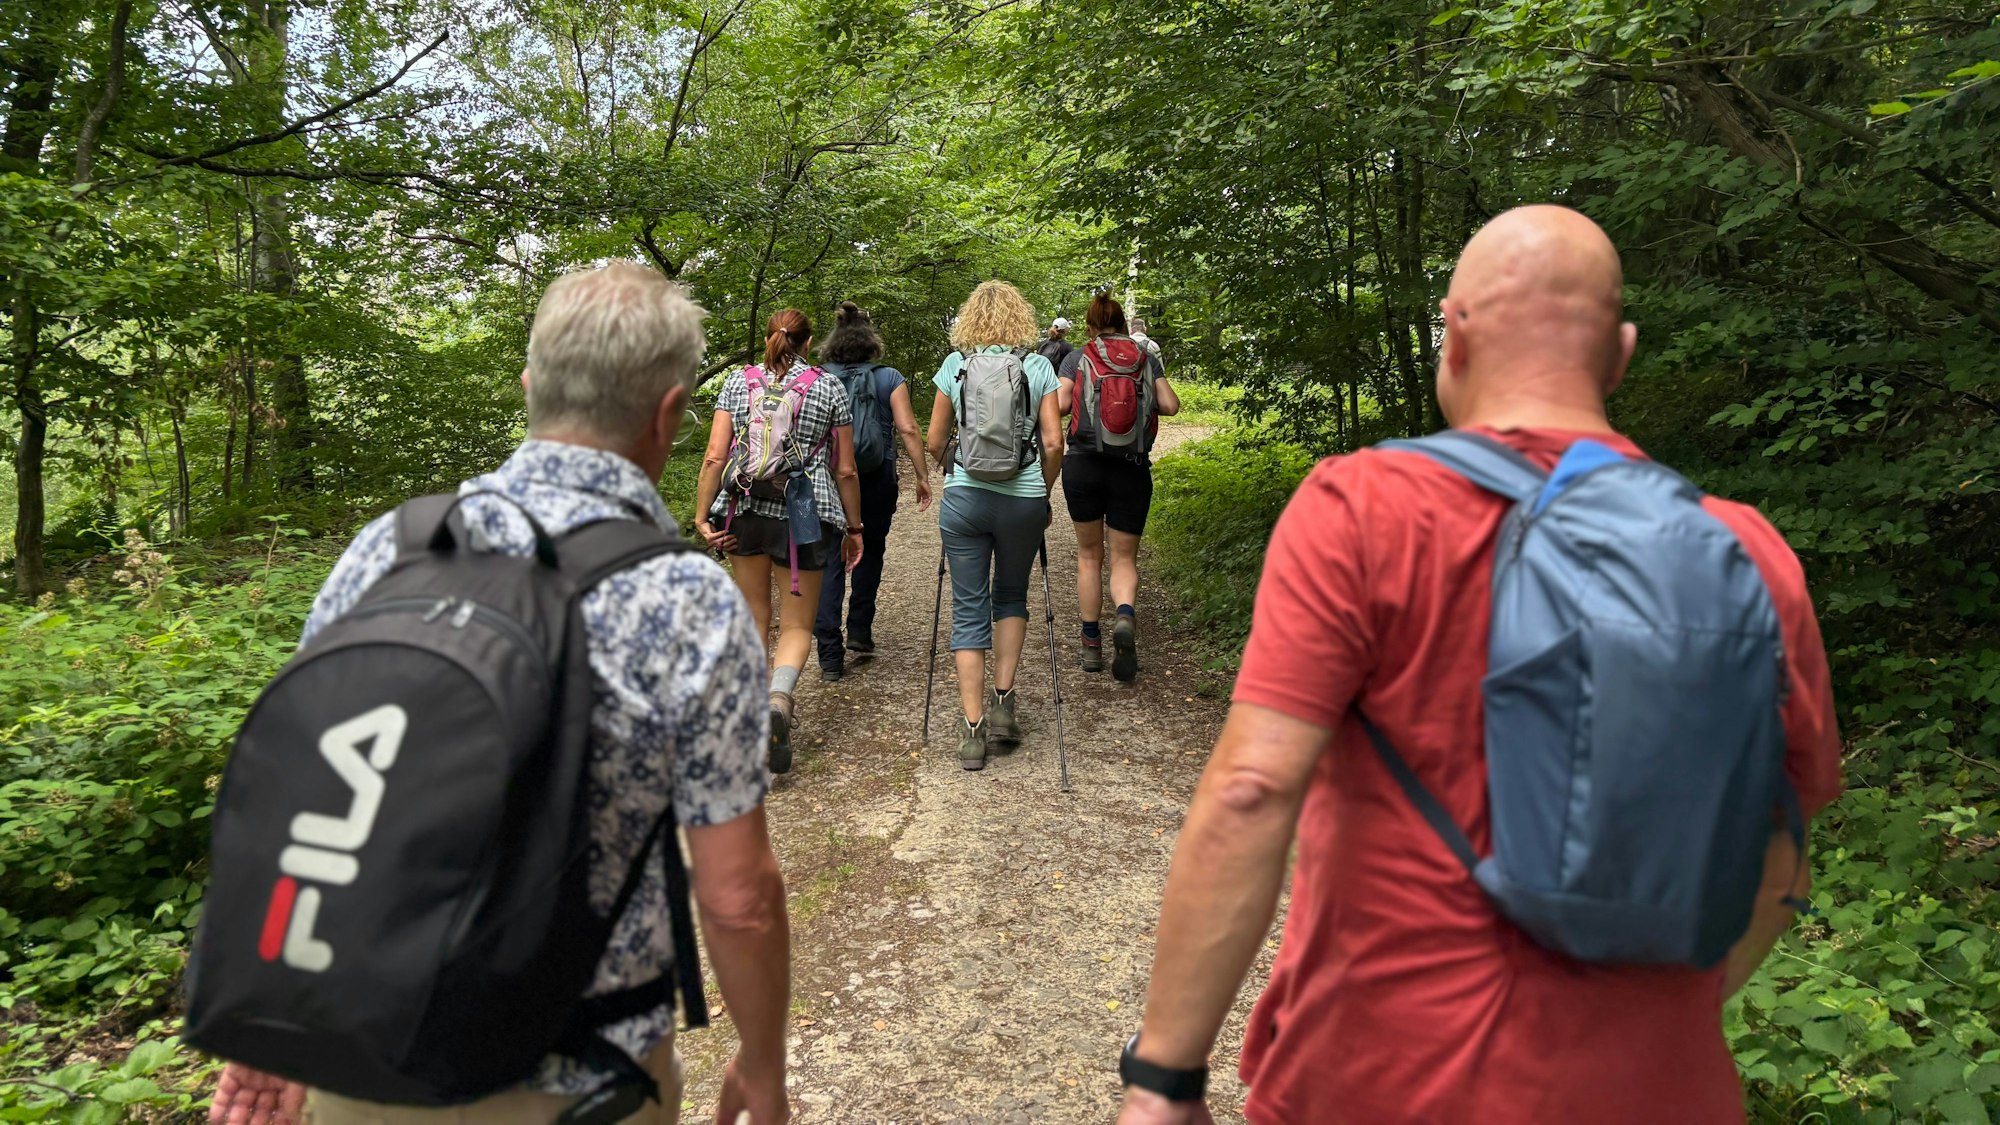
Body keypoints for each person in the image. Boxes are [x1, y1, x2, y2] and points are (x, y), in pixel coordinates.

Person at [1115, 206, 1843, 1125]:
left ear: (1452, 337)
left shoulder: (1363, 507)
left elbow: (1254, 788)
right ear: (1619, 354)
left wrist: (1166, 1081)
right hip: (1660, 1091)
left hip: (1377, 1082)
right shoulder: (1745, 550)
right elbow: (1785, 852)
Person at [207, 263, 793, 1125]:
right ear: (671, 413)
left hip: (367, 1057)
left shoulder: (392, 548)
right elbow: (739, 897)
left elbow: (305, 792)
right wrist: (764, 1061)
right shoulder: (686, 598)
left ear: (530, 386)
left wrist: (277, 1029)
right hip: (579, 1079)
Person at [695, 309, 865, 774]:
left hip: (743, 511)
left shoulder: (737, 382)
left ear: (771, 338)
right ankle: (779, 700)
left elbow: (715, 456)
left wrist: (700, 515)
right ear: (808, 343)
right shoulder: (828, 386)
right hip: (805, 517)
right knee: (795, 627)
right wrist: (855, 528)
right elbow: (845, 469)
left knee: (754, 616)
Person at [925, 280, 1064, 770]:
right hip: (1023, 499)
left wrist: (957, 470)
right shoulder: (1039, 366)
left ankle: (972, 732)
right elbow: (1052, 443)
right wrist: (1041, 494)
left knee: (967, 610)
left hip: (964, 499)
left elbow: (934, 438)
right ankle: (1004, 703)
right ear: (1020, 319)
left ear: (970, 320)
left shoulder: (955, 366)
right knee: (1010, 597)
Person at [1056, 292, 1180, 680]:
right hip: (1131, 466)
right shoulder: (1145, 356)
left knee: (1089, 555)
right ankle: (1124, 617)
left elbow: (1060, 405)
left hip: (1083, 464)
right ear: (1124, 322)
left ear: (1090, 325)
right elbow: (1171, 406)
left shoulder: (1078, 357)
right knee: (1124, 558)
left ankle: (1091, 643)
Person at [814, 301, 933, 681]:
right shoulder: (888, 377)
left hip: (829, 477)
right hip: (877, 474)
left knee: (831, 554)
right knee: (872, 547)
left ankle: (829, 651)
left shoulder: (817, 377)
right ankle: (860, 631)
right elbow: (909, 429)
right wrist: (922, 475)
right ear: (871, 342)